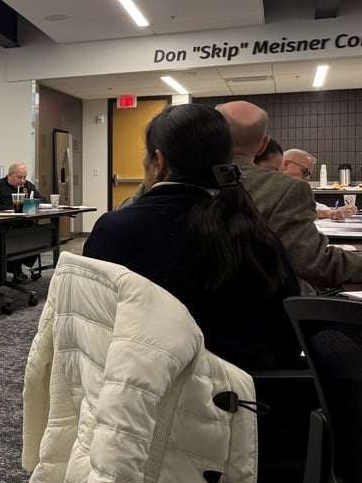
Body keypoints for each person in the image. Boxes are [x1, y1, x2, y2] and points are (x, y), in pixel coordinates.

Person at [84, 104, 301, 370]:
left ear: (159, 161)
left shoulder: (110, 230)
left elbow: (92, 323)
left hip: (138, 383)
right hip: (242, 388)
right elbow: (288, 336)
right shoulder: (255, 233)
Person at [216, 100, 362, 290]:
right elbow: (313, 264)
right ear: (263, 145)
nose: (307, 179)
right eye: (305, 172)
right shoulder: (285, 189)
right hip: (271, 302)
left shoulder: (187, 183)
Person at [0, 162, 45, 281]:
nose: (22, 180)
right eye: (19, 177)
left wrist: (31, 203)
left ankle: (17, 266)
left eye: (24, 177)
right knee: (17, 235)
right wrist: (14, 208)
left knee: (37, 234)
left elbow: (42, 200)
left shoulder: (28, 186)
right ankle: (14, 268)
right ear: (10, 175)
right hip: (1, 225)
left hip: (22, 223)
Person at [281, 147, 358, 220]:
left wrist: (336, 210)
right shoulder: (275, 183)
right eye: (305, 172)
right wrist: (328, 213)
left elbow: (309, 207)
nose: (307, 178)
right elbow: (289, 211)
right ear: (286, 164)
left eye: (309, 175)